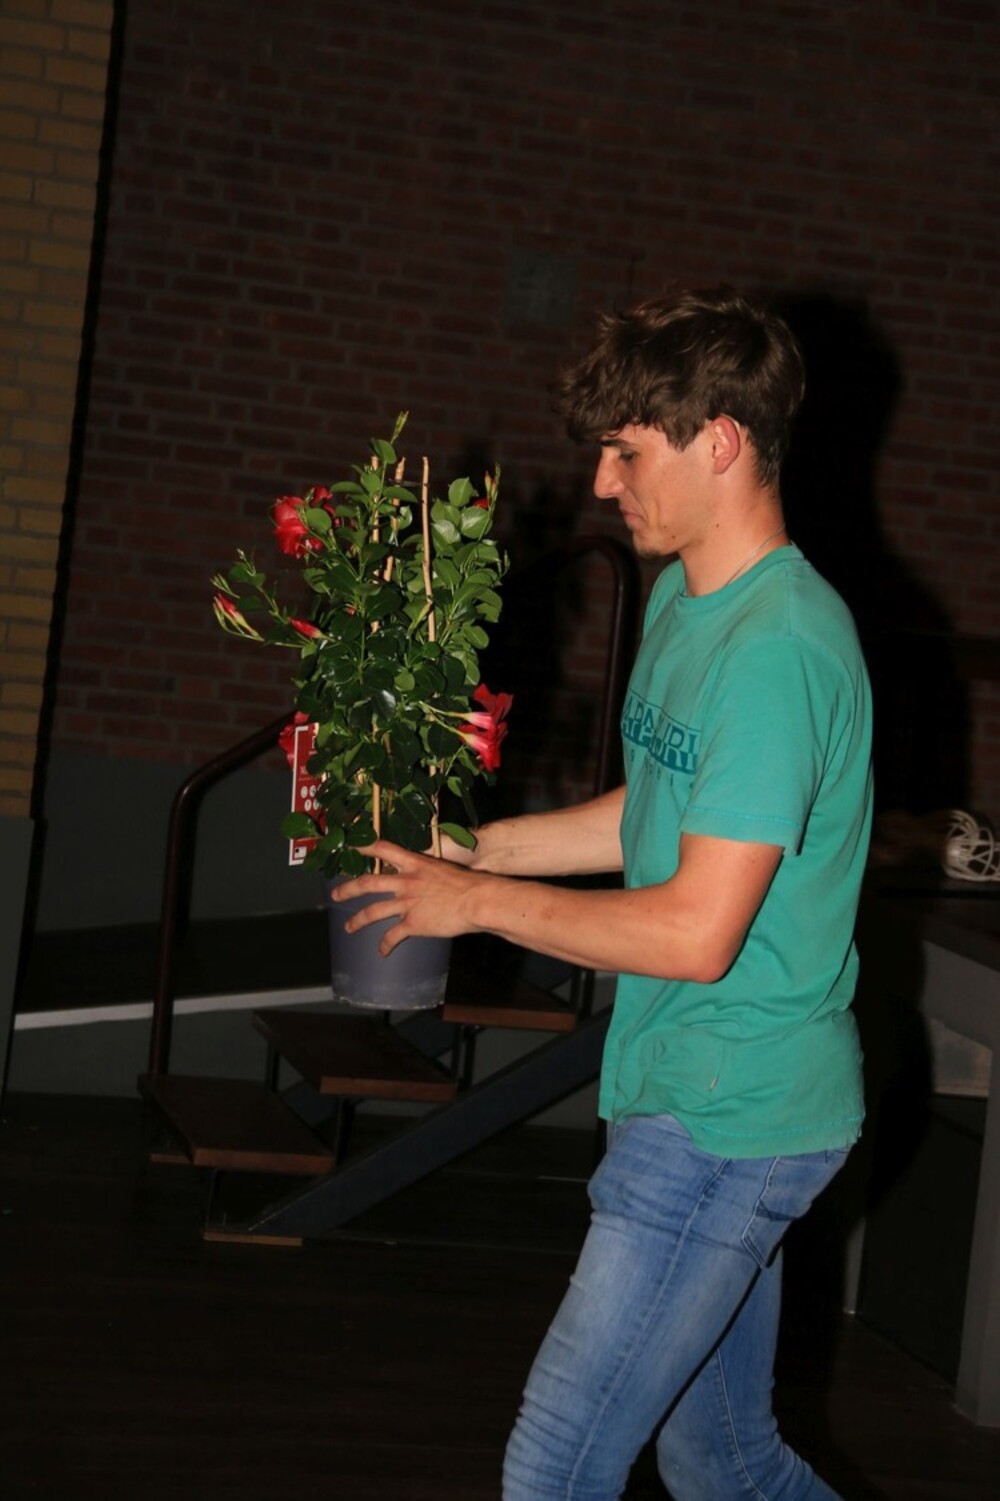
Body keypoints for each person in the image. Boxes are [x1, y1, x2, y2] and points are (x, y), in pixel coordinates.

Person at [334, 285, 873, 1501]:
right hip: (684, 1081)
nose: (599, 482)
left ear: (719, 441)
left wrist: (474, 908)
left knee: (554, 1467)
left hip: (730, 1113)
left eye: (626, 452)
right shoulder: (689, 597)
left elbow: (693, 930)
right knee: (722, 1458)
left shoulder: (781, 649)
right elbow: (656, 815)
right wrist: (475, 853)